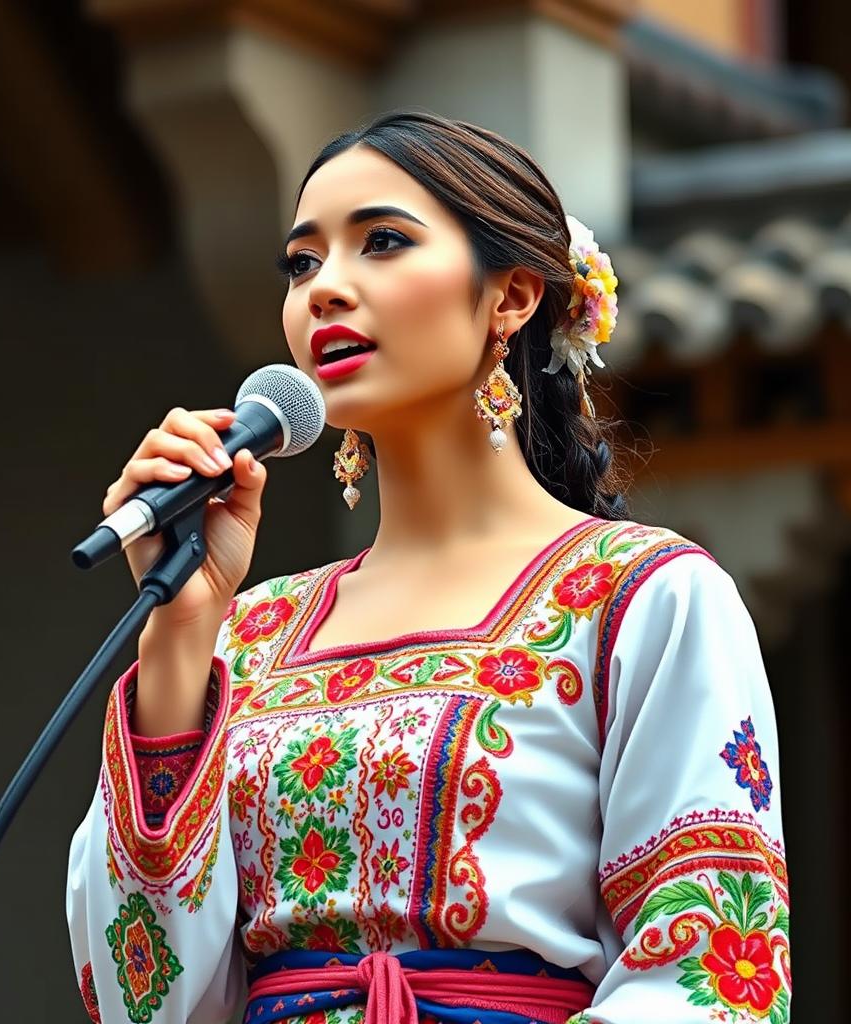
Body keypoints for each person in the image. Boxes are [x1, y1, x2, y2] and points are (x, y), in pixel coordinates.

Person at [66, 110, 790, 1024]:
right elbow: (141, 1002)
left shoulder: (642, 598)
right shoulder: (244, 633)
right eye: (302, 262)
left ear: (513, 296)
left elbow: (713, 979)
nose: (326, 287)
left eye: (382, 242)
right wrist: (177, 631)